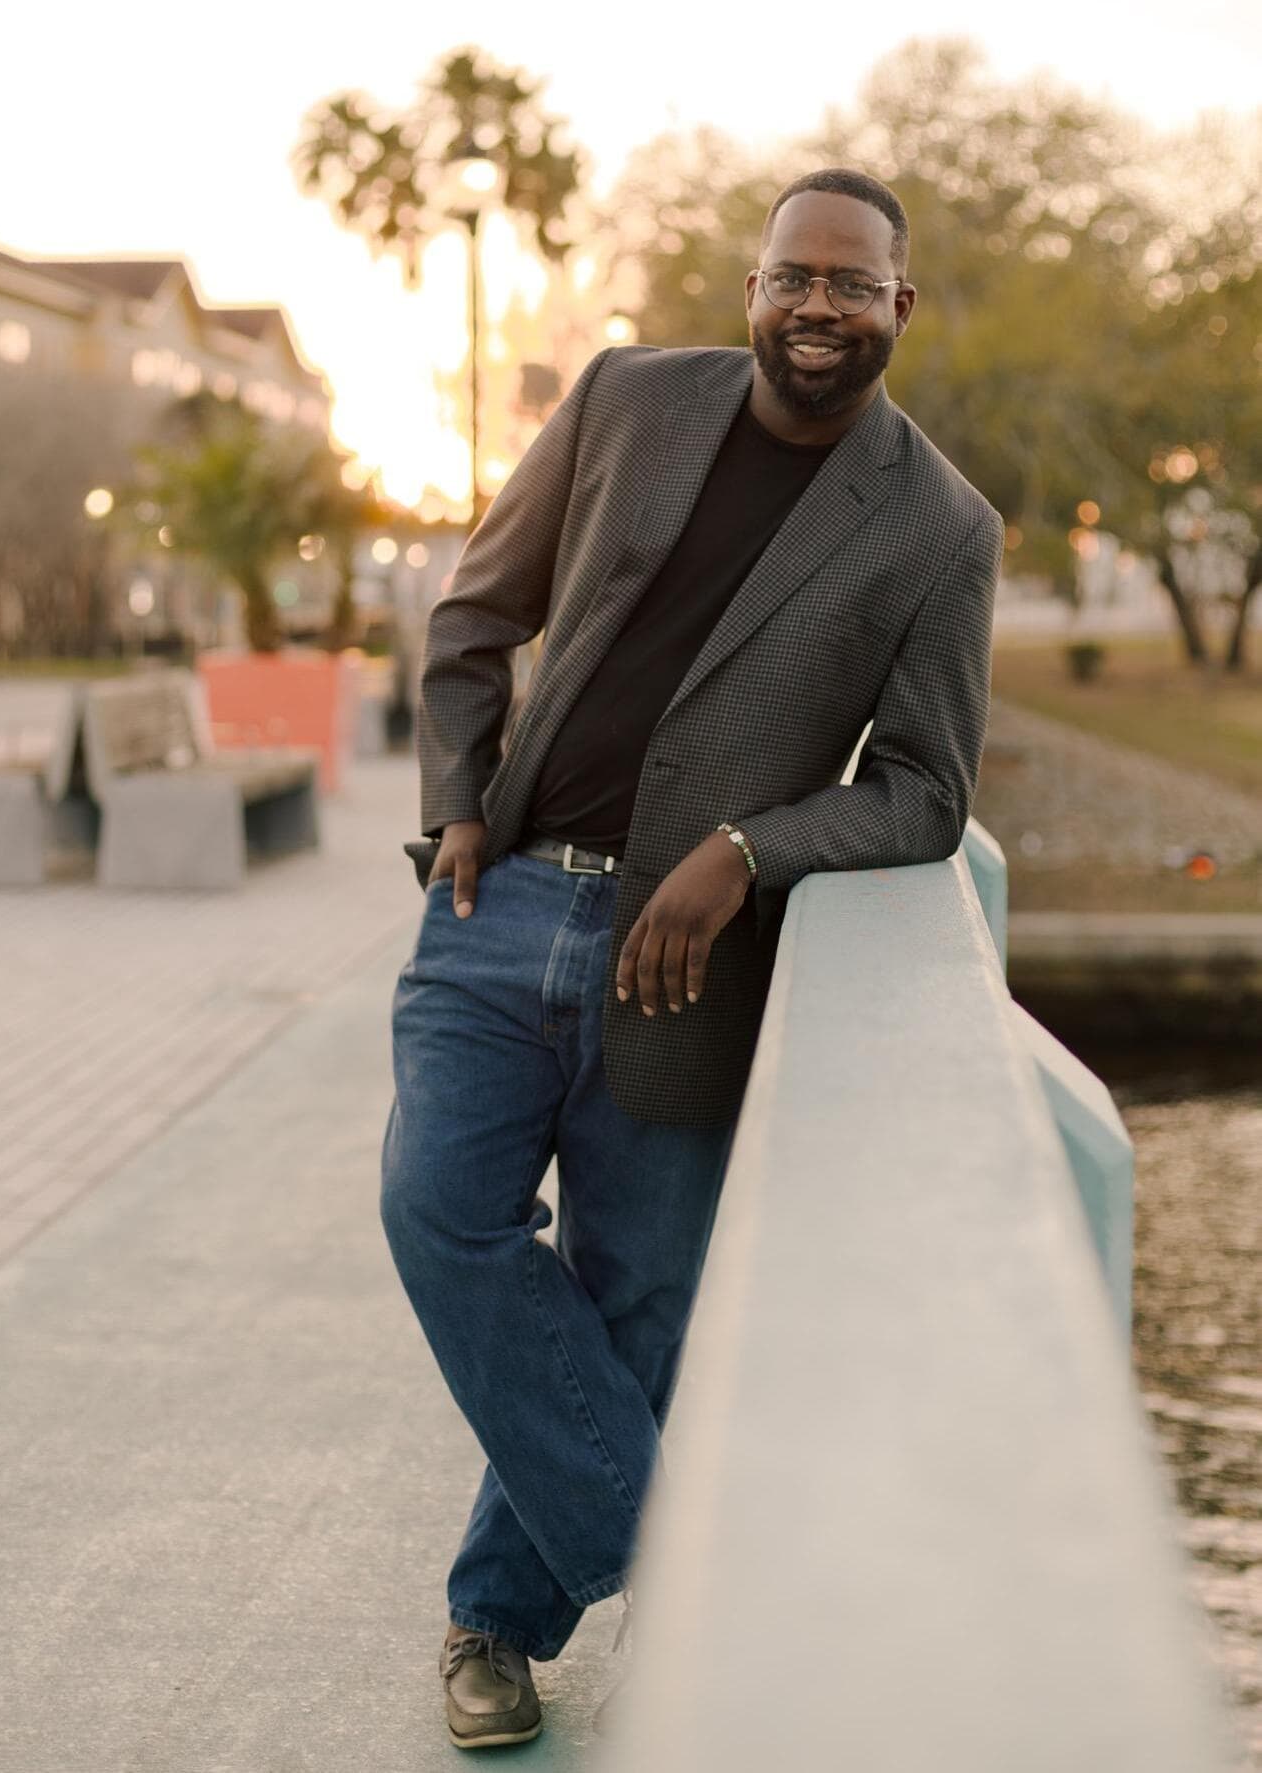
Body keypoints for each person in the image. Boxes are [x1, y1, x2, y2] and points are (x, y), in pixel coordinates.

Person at [380, 166, 1004, 1748]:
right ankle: (690, 1572)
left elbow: (925, 791)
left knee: (637, 1302)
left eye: (849, 284)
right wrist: (457, 803)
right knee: (435, 1210)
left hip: (684, 973)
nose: (817, 306)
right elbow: (473, 614)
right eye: (793, 276)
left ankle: (492, 1627)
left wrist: (744, 851)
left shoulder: (939, 529)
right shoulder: (623, 398)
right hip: (500, 903)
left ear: (897, 306)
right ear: (752, 290)